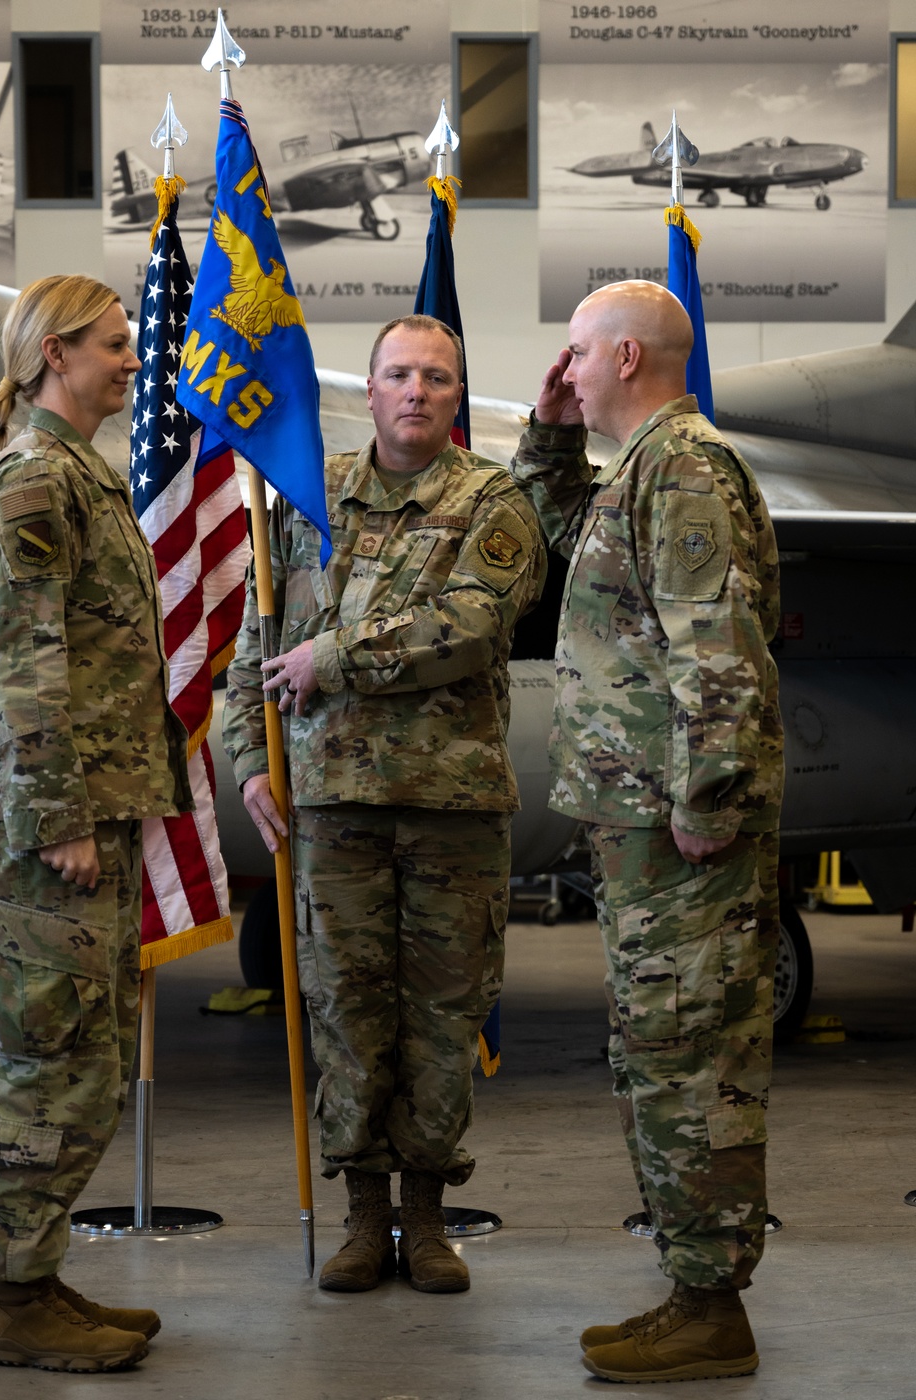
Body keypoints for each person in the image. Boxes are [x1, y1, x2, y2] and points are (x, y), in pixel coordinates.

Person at [223, 314, 545, 1295]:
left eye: (436, 377)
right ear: (366, 390)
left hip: (451, 807)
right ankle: (364, 1214)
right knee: (346, 1014)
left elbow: (472, 621)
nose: (416, 390)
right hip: (333, 807)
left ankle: (427, 1215)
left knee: (442, 1018)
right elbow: (255, 637)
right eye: (398, 373)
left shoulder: (494, 499)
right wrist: (247, 759)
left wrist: (338, 658)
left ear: (456, 395)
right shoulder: (307, 499)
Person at [510, 281, 783, 1383]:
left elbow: (713, 647)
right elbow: (566, 537)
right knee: (657, 1052)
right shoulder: (638, 469)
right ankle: (690, 1285)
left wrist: (707, 801)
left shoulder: (682, 469)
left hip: (682, 833)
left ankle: (712, 1304)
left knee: (690, 1055)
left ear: (624, 355)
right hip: (642, 822)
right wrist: (545, 437)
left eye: (575, 355)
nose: (564, 368)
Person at [0, 275, 192, 1372]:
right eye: (113, 343)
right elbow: (21, 664)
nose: (132, 361)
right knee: (53, 1063)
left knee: (89, 1061)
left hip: (88, 812)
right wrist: (57, 813)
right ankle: (13, 1295)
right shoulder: (32, 483)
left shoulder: (78, 476)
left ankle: (36, 1273)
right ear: (55, 353)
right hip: (44, 824)